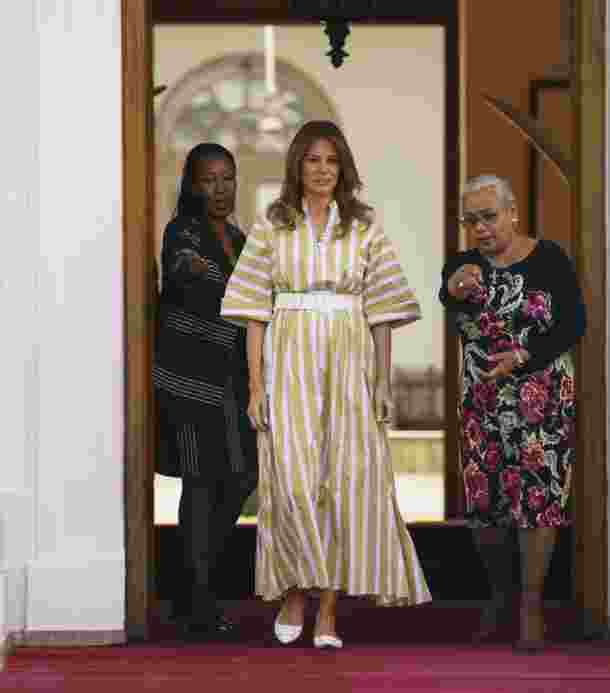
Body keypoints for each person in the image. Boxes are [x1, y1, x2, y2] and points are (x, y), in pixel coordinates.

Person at [221, 120, 431, 649]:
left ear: (344, 168)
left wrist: (383, 382)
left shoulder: (364, 226)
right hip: (287, 358)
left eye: (331, 161)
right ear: (297, 165)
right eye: (312, 160)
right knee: (290, 481)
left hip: (350, 360)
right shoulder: (273, 225)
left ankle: (329, 610)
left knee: (345, 480)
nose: (322, 170)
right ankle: (295, 589)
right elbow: (252, 312)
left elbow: (382, 311)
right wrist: (255, 386)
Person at [439, 175, 586, 649]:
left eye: (489, 216)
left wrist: (524, 356)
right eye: (470, 220)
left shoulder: (549, 258)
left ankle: (531, 605)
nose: (480, 228)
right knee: (486, 504)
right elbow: (447, 295)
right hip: (482, 399)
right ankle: (499, 597)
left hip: (541, 394)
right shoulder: (464, 264)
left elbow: (573, 323)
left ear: (513, 212)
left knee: (539, 500)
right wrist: (456, 287)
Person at [153, 142, 258, 639]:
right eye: (209, 179)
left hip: (231, 381)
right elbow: (188, 273)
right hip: (188, 381)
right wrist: (212, 275)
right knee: (200, 484)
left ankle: (191, 585)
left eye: (228, 178)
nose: (220, 189)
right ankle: (197, 598)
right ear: (192, 185)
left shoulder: (239, 236)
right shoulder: (182, 233)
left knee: (240, 479)